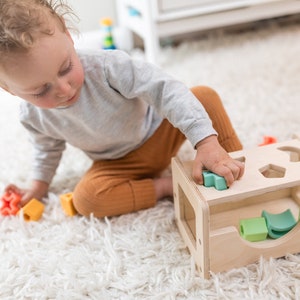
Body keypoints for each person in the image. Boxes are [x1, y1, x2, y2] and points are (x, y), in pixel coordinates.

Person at [0, 0, 244, 218]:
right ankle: (168, 186)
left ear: (67, 33)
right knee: (86, 199)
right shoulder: (32, 116)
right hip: (118, 163)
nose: (63, 89)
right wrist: (38, 186)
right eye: (40, 91)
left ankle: (231, 159)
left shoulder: (107, 67)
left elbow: (163, 89)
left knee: (203, 97)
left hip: (158, 132)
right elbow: (46, 149)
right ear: (10, 89)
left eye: (65, 68)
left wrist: (205, 141)